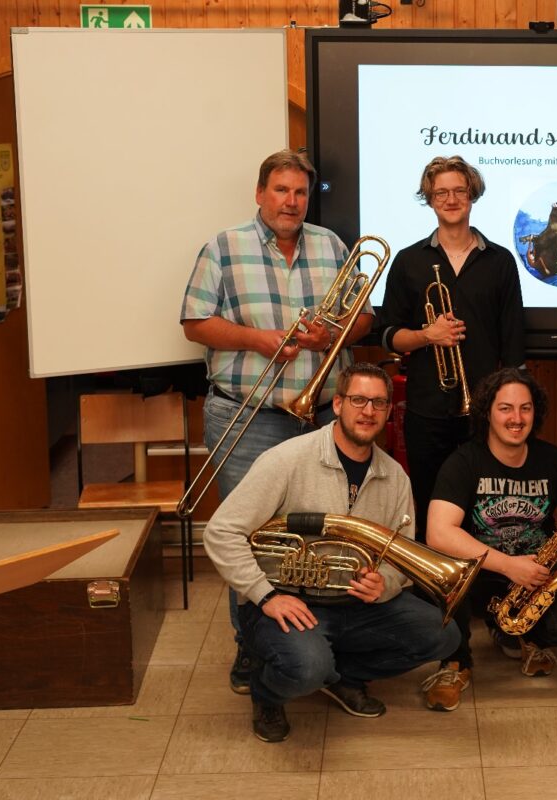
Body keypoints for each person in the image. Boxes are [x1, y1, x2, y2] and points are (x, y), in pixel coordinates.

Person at [181, 148, 375, 694]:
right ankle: (251, 648)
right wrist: (258, 340)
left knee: (325, 535)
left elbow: (363, 319)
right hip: (249, 414)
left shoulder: (331, 246)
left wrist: (331, 335)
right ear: (260, 193)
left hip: (322, 417)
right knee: (250, 535)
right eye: (281, 190)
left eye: (300, 192)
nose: (291, 201)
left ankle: (319, 643)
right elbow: (194, 322)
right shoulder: (223, 248)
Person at [202, 362, 460, 743]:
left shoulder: (395, 478)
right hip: (287, 601)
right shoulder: (286, 460)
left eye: (379, 403)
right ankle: (266, 691)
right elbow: (221, 532)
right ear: (337, 404)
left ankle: (342, 677)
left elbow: (401, 554)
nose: (368, 411)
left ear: (388, 411)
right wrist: (265, 595)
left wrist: (385, 583)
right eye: (358, 400)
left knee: (445, 635)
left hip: (354, 604)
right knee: (306, 667)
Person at [421, 368, 557, 711]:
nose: (516, 419)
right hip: (479, 575)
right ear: (487, 412)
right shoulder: (464, 462)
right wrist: (507, 565)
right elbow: (439, 532)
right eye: (505, 408)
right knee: (446, 578)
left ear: (536, 412)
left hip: (537, 575)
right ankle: (456, 661)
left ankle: (522, 633)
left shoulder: (552, 460)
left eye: (525, 408)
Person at [379, 155, 526, 544]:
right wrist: (428, 335)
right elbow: (388, 334)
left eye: (459, 190)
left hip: (485, 410)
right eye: (441, 192)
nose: (451, 199)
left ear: (472, 194)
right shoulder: (409, 261)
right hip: (427, 410)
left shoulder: (500, 261)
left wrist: (510, 402)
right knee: (430, 503)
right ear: (429, 199)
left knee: (487, 509)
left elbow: (513, 341)